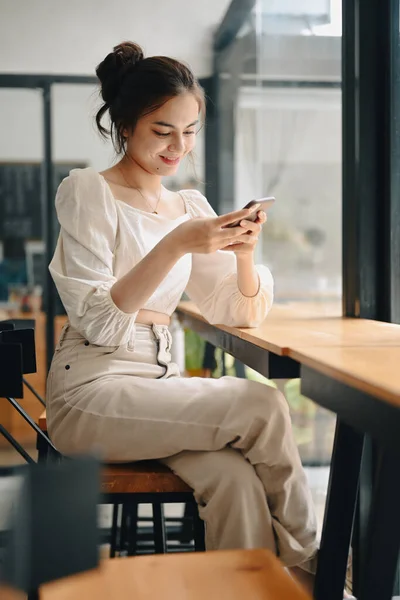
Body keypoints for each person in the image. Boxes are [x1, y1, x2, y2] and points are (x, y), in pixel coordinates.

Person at [46, 41, 323, 595]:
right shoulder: (89, 192)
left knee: (237, 481)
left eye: (190, 130)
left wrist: (242, 255)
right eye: (163, 130)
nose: (179, 146)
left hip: (159, 391)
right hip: (92, 392)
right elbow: (99, 322)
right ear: (125, 125)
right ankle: (315, 565)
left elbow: (235, 311)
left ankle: (249, 591)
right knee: (263, 403)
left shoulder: (188, 208)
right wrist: (174, 247)